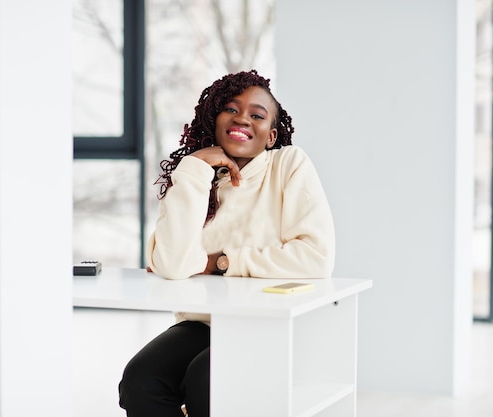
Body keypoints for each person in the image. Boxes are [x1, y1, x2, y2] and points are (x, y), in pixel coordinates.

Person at [118, 70, 335, 417]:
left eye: (257, 115)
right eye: (231, 109)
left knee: (207, 378)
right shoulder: (194, 177)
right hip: (202, 322)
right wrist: (195, 167)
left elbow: (314, 258)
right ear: (214, 119)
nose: (242, 119)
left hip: (268, 322)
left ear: (271, 135)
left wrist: (221, 261)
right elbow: (174, 266)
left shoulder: (289, 165)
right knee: (141, 380)